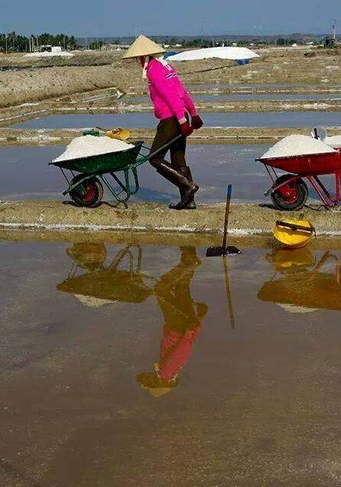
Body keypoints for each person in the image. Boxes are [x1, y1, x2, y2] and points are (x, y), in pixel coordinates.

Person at [122, 35, 203, 210]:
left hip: (171, 119)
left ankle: (188, 186)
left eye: (138, 58)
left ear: (143, 57)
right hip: (180, 115)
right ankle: (189, 201)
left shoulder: (153, 69)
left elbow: (171, 95)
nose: (138, 61)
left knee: (155, 158)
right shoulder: (167, 67)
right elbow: (182, 92)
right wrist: (193, 114)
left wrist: (182, 120)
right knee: (178, 158)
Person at [137, 247, 208, 397]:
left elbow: (188, 345)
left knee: (182, 288)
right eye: (149, 381)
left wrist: (199, 319)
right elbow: (183, 350)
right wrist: (189, 331)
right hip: (178, 326)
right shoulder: (166, 373)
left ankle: (188, 255)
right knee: (161, 288)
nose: (148, 378)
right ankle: (189, 263)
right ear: (155, 382)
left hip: (184, 325)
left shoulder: (169, 373)